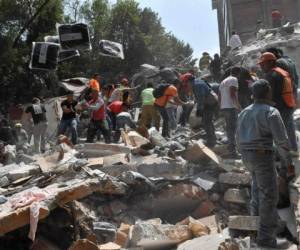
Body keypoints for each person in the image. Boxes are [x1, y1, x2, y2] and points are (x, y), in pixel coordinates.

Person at [236, 80, 292, 249]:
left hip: (247, 157)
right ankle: (266, 241)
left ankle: (256, 232)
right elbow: (281, 141)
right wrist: (287, 162)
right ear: (268, 93)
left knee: (256, 192)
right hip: (262, 156)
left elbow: (236, 138)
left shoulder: (244, 112)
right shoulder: (271, 112)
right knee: (269, 197)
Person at [259, 52, 298, 154]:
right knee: (289, 128)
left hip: (280, 107)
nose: (261, 67)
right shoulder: (283, 72)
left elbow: (269, 94)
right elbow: (293, 88)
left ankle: (281, 155)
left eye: (263, 64)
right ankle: (294, 149)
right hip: (288, 104)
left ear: (271, 62)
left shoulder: (271, 75)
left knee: (278, 132)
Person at [219, 67, 241, 157]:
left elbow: (219, 96)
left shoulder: (223, 81)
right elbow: (232, 93)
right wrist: (238, 106)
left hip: (224, 107)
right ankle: (233, 152)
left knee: (229, 129)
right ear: (238, 73)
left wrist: (220, 107)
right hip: (231, 107)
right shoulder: (234, 79)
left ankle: (230, 149)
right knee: (233, 129)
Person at [191, 78, 218, 147]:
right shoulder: (198, 82)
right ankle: (212, 139)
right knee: (208, 122)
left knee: (207, 122)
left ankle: (211, 141)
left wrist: (199, 109)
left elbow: (201, 98)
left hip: (208, 104)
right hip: (210, 103)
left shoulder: (197, 84)